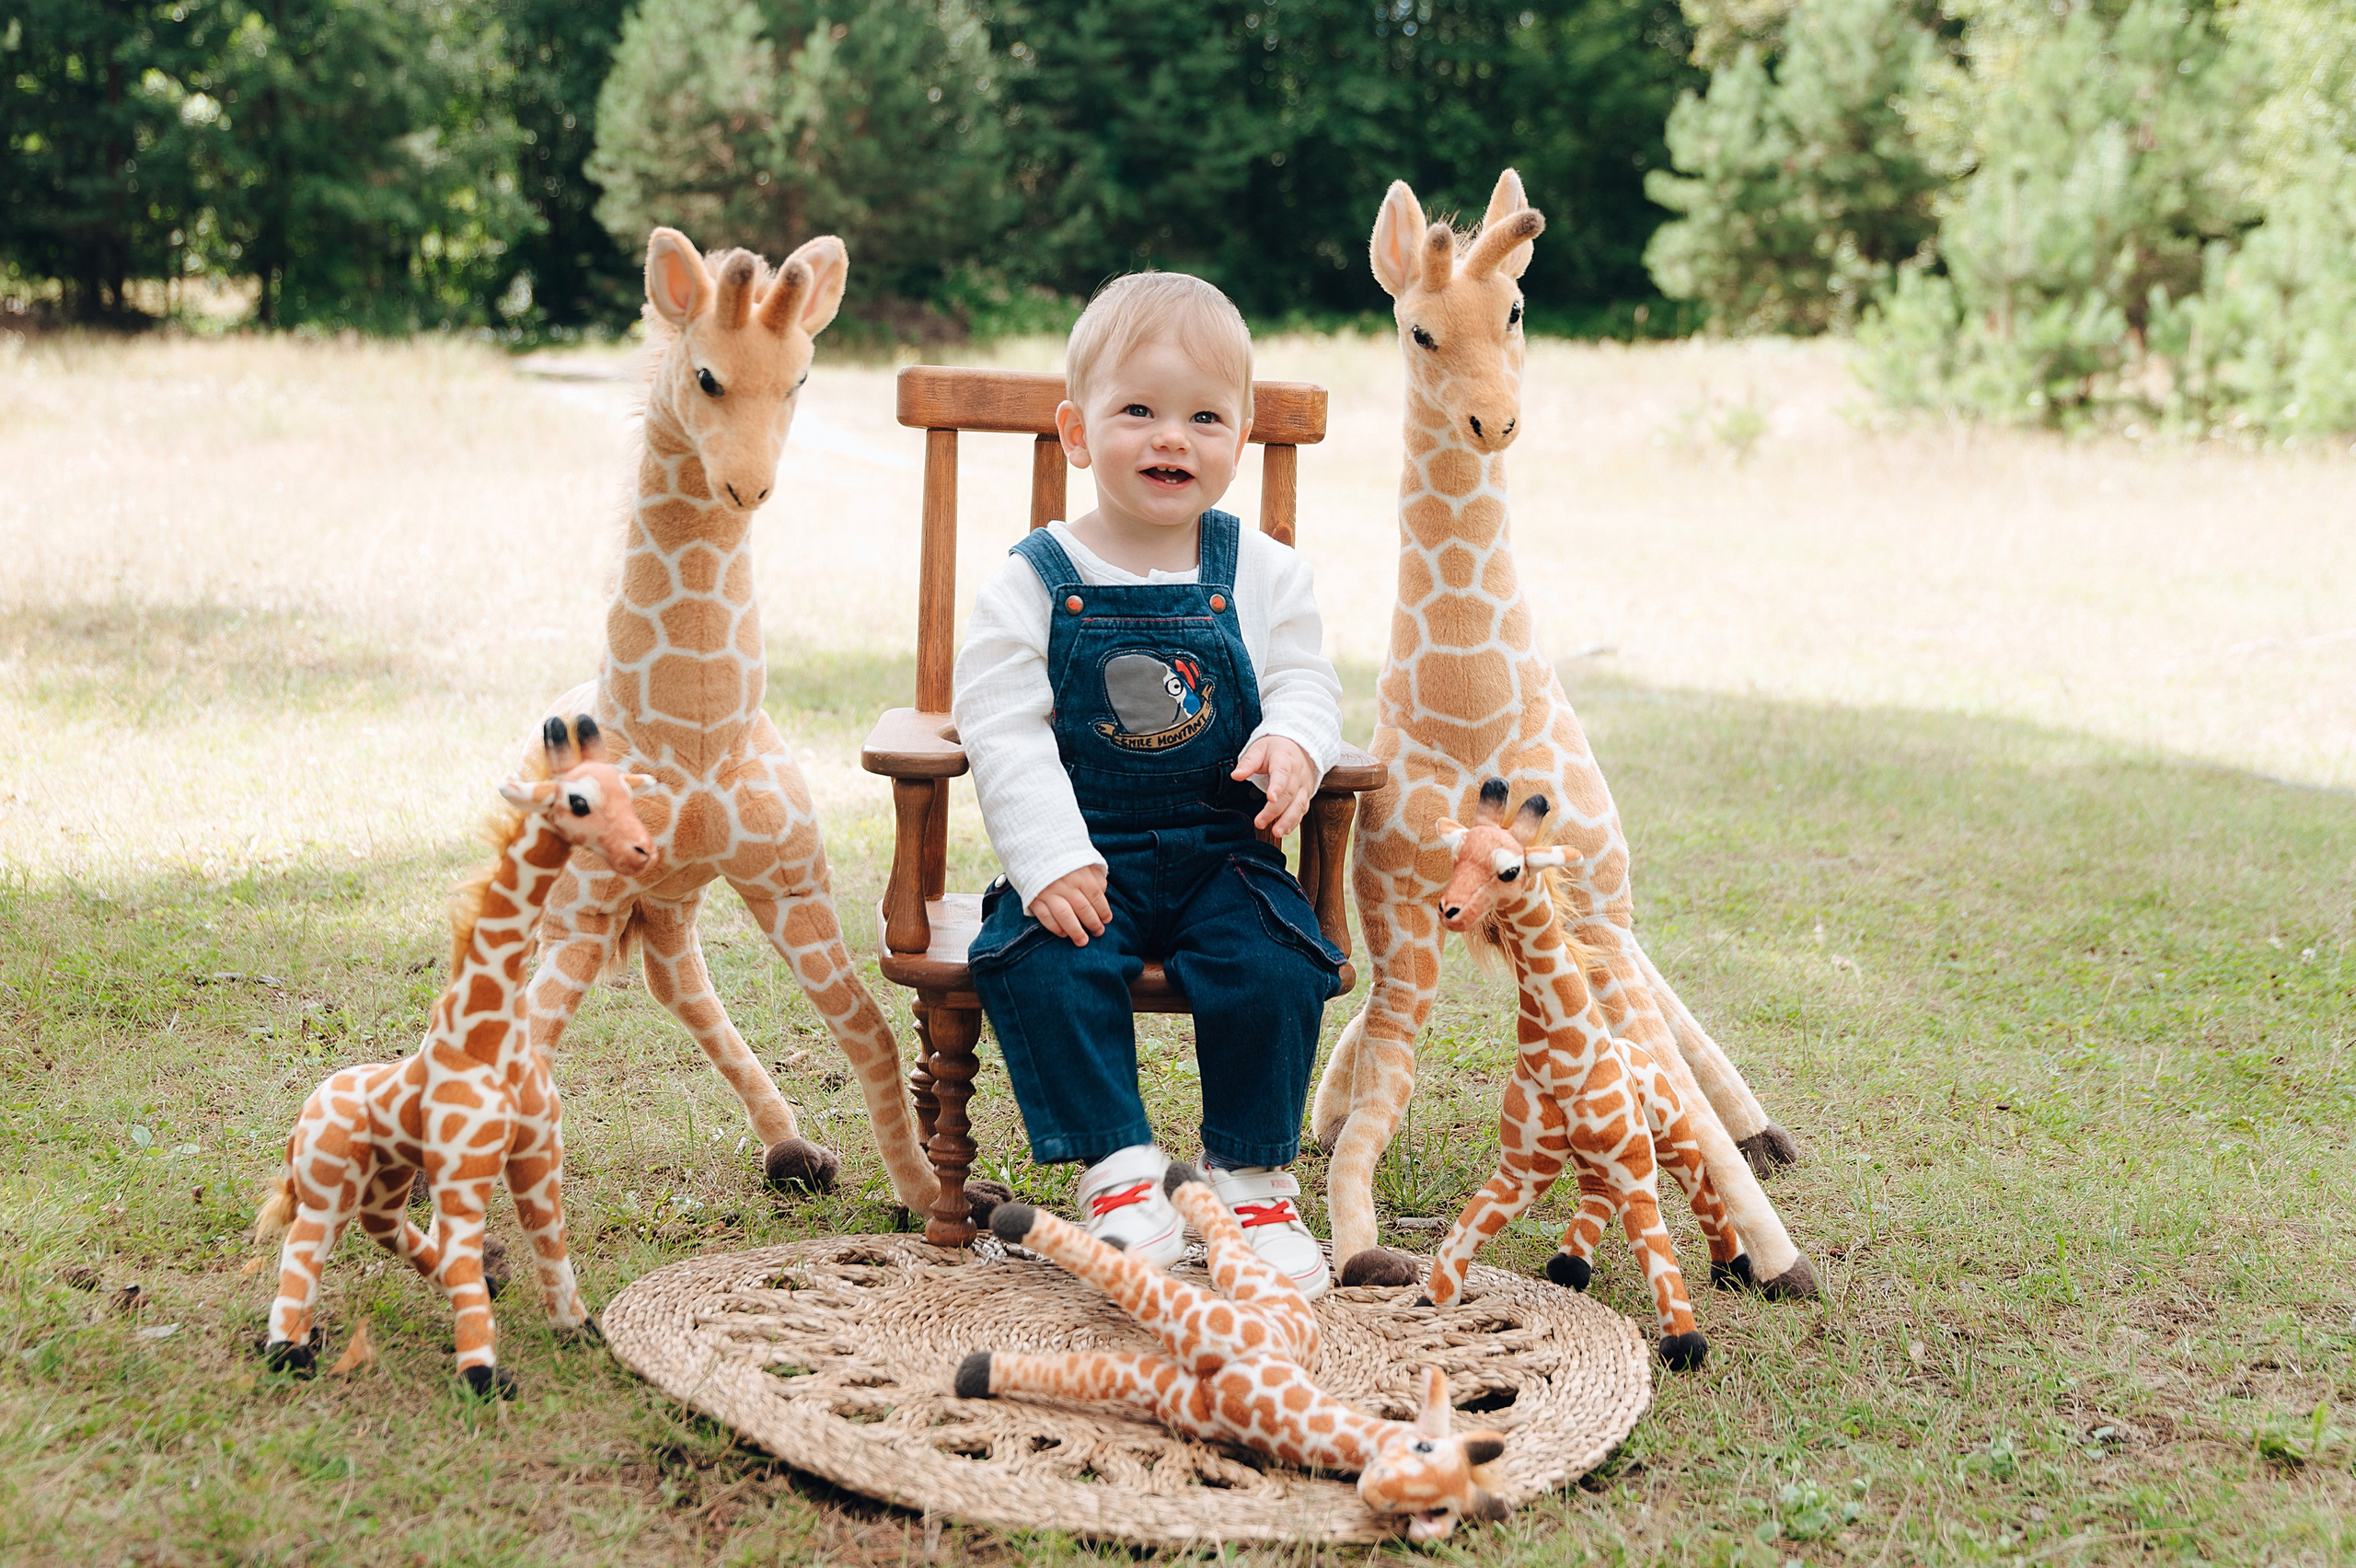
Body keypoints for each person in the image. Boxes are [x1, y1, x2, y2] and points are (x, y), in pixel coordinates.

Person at [953, 271, 1347, 1297]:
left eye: (1203, 417)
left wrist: (1295, 744)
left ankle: (1250, 1180)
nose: (1171, 438)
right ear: (1077, 433)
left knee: (1277, 962)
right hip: (1091, 853)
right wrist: (1047, 859)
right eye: (1138, 410)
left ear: (1242, 434)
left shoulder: (1263, 569)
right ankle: (1121, 1173)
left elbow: (1307, 678)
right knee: (1039, 960)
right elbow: (999, 723)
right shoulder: (1031, 578)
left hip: (1226, 851)